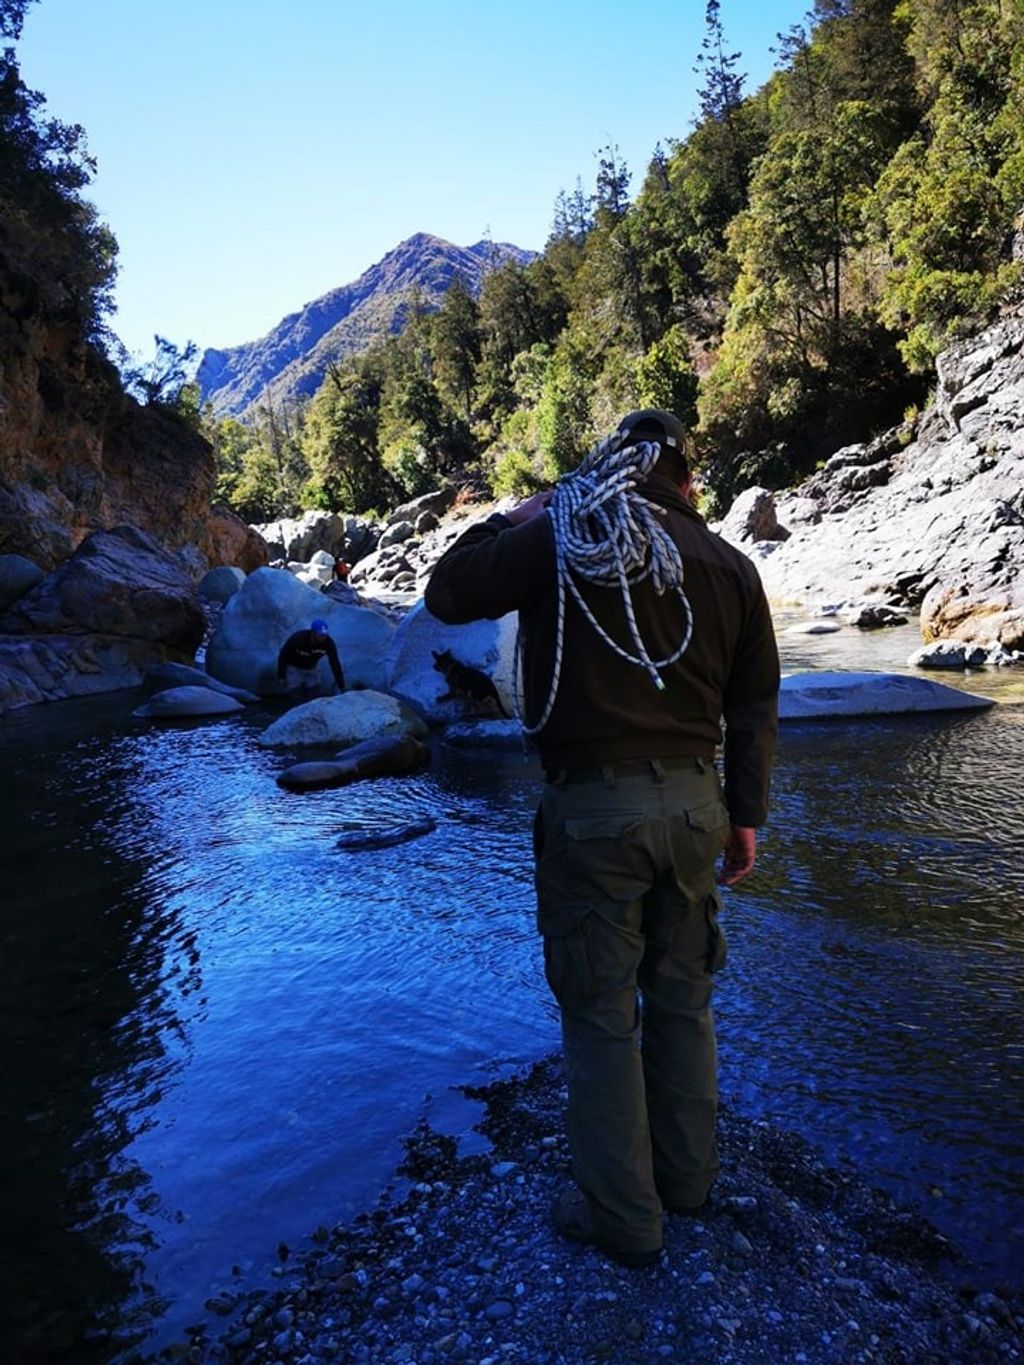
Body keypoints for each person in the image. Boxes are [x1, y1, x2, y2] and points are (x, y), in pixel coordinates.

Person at [425, 409, 779, 1268]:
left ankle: (625, 1217)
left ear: (611, 467)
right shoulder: (731, 564)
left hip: (593, 812)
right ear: (689, 481)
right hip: (697, 806)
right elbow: (755, 701)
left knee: (599, 1016)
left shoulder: (561, 534)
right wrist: (746, 815)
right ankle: (688, 1184)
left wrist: (521, 512)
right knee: (685, 998)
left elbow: (446, 591)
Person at [276, 618, 346, 695]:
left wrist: (342, 685)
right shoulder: (298, 638)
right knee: (295, 695)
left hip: (311, 668)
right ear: (313, 633)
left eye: (325, 634)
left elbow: (334, 663)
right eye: (320, 635)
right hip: (294, 668)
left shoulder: (329, 643)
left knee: (314, 695)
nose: (323, 637)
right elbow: (283, 654)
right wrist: (281, 676)